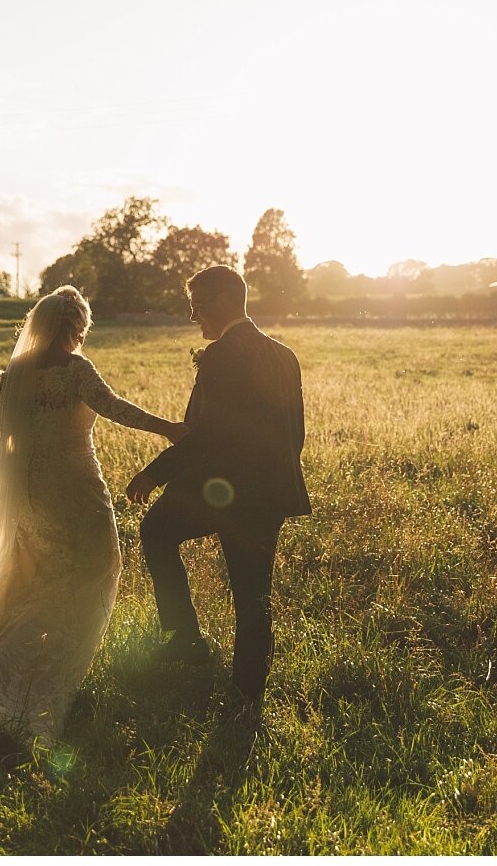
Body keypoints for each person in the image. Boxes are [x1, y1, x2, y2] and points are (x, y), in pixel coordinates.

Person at [0, 286, 185, 744]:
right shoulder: (76, 369)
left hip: (31, 491)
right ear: (77, 326)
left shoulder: (14, 374)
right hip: (77, 488)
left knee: (36, 580)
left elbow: (7, 441)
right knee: (92, 570)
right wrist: (168, 429)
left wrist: (18, 494)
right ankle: (28, 674)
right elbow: (114, 408)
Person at [126, 265, 311, 707]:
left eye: (198, 306)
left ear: (224, 300)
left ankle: (187, 640)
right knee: (254, 593)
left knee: (155, 531)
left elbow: (207, 434)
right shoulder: (284, 354)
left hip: (222, 492)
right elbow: (296, 433)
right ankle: (248, 692)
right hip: (268, 495)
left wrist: (155, 473)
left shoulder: (223, 356)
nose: (194, 317)